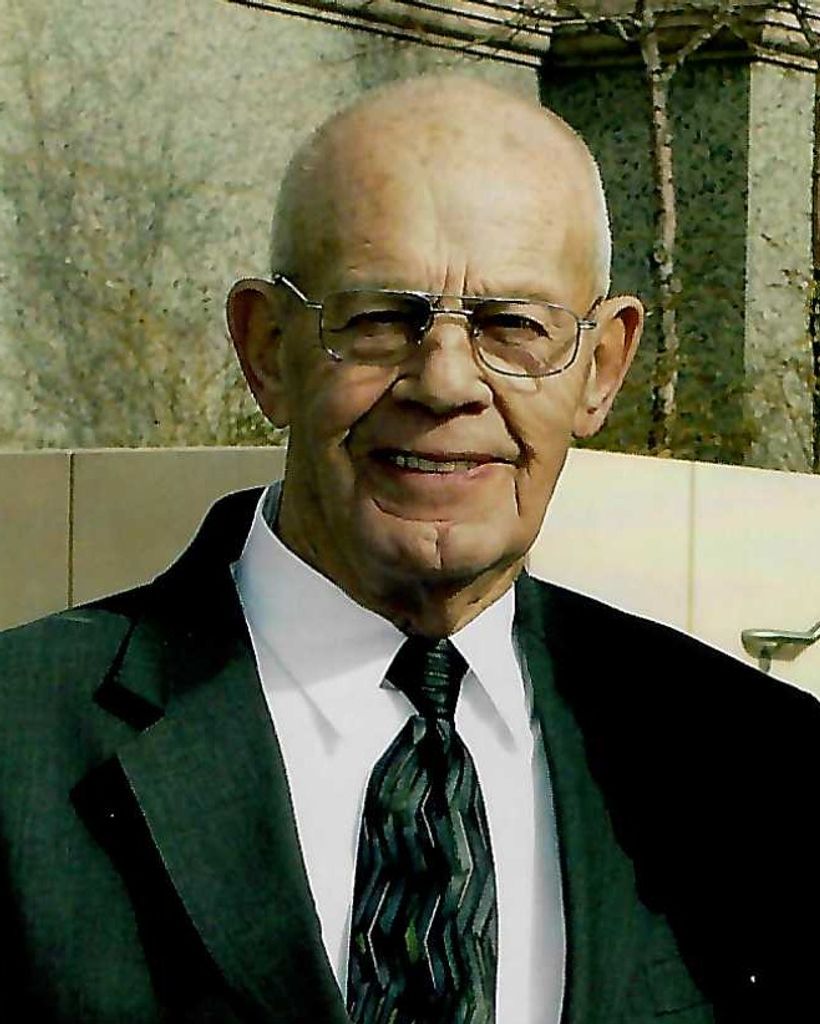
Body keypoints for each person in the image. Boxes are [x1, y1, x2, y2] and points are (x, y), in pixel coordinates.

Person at [0, 74, 817, 1024]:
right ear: (266, 349)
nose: (446, 382)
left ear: (601, 369)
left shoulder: (760, 772)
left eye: (514, 326)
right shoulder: (19, 745)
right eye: (382, 319)